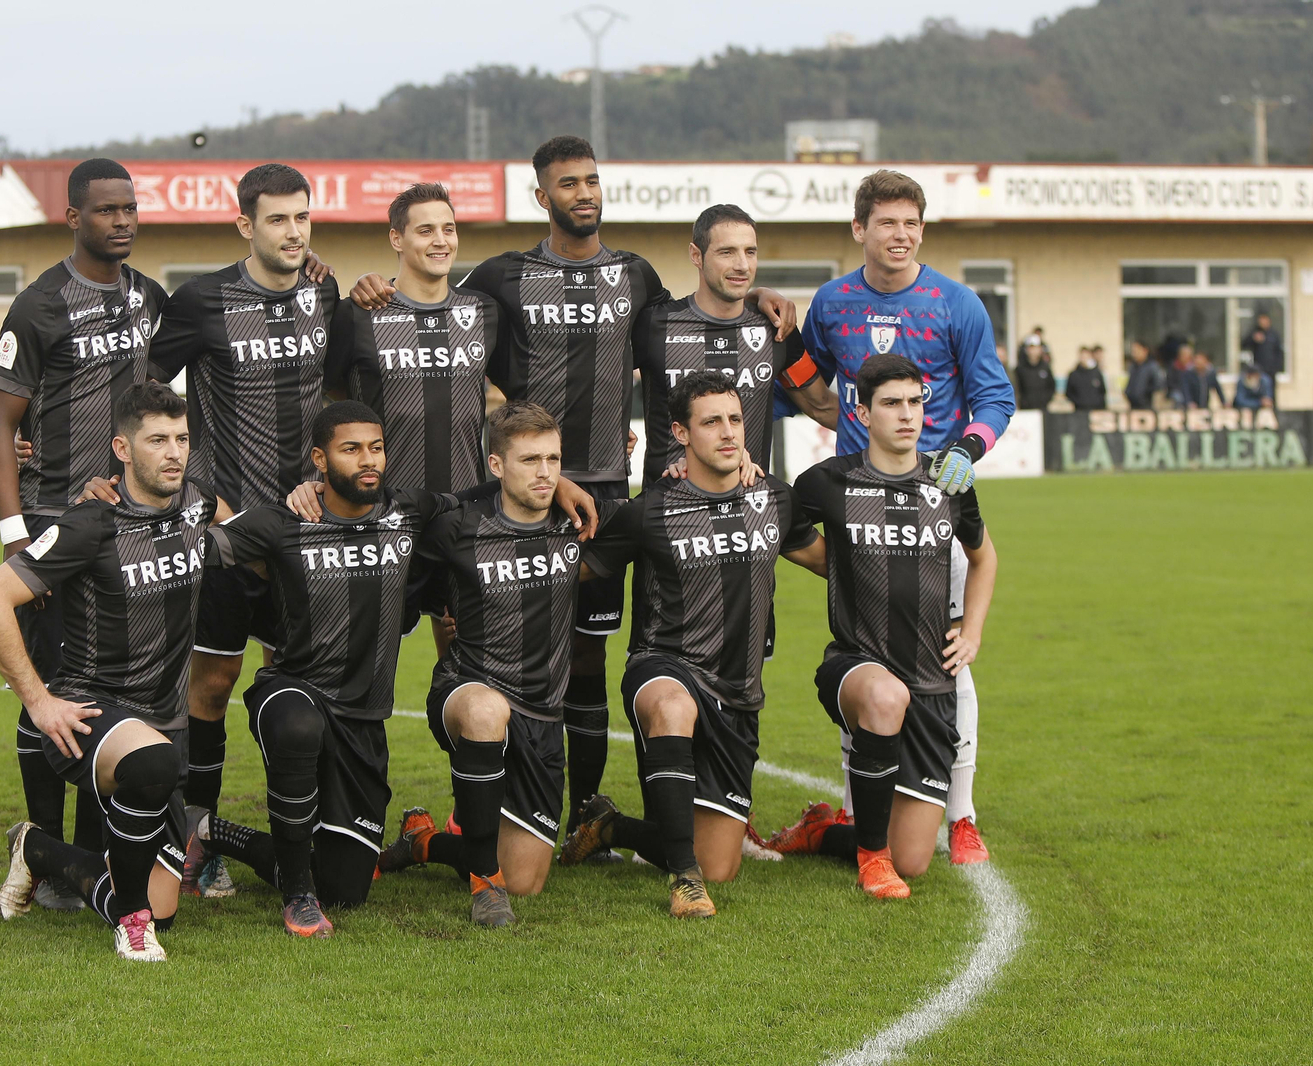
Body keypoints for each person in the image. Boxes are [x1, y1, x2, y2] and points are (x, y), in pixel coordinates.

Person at [352, 136, 797, 855]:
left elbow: (698, 315)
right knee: (473, 647)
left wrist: (760, 297)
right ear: (542, 196)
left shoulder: (636, 277)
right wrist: (371, 288)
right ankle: (475, 813)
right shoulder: (502, 278)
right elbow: (438, 311)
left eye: (592, 181)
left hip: (611, 500)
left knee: (584, 658)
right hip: (520, 493)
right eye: (568, 184)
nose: (583, 193)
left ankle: (586, 812)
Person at [798, 168, 1014, 866]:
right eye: (887, 223)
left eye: (912, 223)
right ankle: (860, 812)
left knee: (947, 651)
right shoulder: (832, 304)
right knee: (864, 651)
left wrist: (967, 451)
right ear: (859, 229)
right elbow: (812, 390)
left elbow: (994, 398)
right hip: (856, 509)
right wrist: (778, 339)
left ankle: (963, 814)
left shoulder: (955, 304)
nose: (902, 235)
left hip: (932, 501)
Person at [0, 382, 225, 961]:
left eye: (182, 439)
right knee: (152, 767)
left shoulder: (196, 503)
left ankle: (35, 850)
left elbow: (238, 526)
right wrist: (39, 703)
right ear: (121, 448)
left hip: (164, 721)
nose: (173, 453)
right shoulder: (91, 523)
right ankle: (132, 926)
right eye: (157, 440)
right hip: (87, 715)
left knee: (165, 899)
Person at [561, 372, 825, 918]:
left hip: (738, 695)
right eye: (711, 423)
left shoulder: (774, 498)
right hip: (665, 668)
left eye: (734, 419)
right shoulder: (650, 509)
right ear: (681, 433)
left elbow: (827, 561)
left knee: (722, 864)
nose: (728, 433)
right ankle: (684, 884)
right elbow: (574, 570)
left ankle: (610, 826)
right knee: (671, 703)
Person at [145, 163, 338, 897]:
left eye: (301, 217)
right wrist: (201, 494)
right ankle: (201, 840)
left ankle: (308, 832)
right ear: (245, 226)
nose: (293, 232)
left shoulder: (324, 292)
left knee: (306, 687)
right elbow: (147, 395)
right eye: (278, 219)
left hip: (306, 531)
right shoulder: (202, 301)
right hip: (225, 529)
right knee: (212, 686)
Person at [0, 158, 169, 908]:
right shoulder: (37, 306)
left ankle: (75, 855)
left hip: (129, 527)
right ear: (73, 218)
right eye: (105, 210)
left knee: (106, 687)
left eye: (129, 208)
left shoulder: (151, 299)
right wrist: (12, 533)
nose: (122, 220)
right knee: (48, 689)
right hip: (55, 526)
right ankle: (37, 836)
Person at [774, 355, 997, 899]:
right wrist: (835, 561)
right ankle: (871, 861)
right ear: (863, 411)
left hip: (931, 681)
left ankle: (825, 832)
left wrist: (972, 631)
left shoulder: (948, 481)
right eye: (892, 404)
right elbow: (776, 521)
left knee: (915, 859)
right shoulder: (830, 481)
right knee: (883, 694)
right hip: (858, 664)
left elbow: (985, 557)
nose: (907, 415)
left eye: (915, 403)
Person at [375, 403, 588, 926]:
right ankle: (485, 888)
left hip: (542, 715)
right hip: (468, 690)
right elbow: (411, 587)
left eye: (553, 460)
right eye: (529, 460)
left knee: (529, 882)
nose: (544, 472)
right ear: (496, 466)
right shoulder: (454, 528)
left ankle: (425, 842)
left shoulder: (579, 519)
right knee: (485, 711)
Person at [324, 182, 502, 655]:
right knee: (365, 663)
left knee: (466, 664)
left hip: (462, 513)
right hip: (383, 516)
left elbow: (520, 394)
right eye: (426, 230)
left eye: (449, 228)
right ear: (397, 239)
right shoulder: (358, 314)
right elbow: (332, 397)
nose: (441, 240)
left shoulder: (482, 311)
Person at [635, 203, 836, 489]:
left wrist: (897, 435)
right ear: (696, 255)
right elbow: (599, 382)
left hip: (750, 512)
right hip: (667, 511)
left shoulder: (777, 329)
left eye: (750, 252)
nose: (742, 265)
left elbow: (822, 405)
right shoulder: (654, 326)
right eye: (727, 252)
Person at [1013, 336, 1054, 410]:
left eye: (1036, 348)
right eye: (1031, 348)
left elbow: (1051, 386)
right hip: (1025, 410)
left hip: (1042, 409)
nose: (1033, 351)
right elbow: (1017, 388)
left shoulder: (1045, 368)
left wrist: (1046, 400)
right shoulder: (1020, 369)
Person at [1243, 312, 1284, 382]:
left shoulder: (1273, 334)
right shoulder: (1255, 332)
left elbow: (1279, 352)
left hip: (1271, 369)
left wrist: (1278, 367)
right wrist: (1253, 338)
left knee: (1270, 389)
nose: (1262, 322)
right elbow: (1244, 344)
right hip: (1259, 369)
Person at [1064, 345, 1108, 411]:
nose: (1084, 358)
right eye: (1082, 356)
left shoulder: (1096, 373)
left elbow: (1102, 392)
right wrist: (1078, 402)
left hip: (1096, 410)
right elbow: (1069, 393)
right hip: (1080, 411)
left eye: (1086, 356)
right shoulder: (1074, 375)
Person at [1124, 340, 1164, 411]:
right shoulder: (1133, 367)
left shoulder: (1152, 367)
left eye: (1137, 350)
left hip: (1147, 407)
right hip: (1134, 407)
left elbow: (1159, 387)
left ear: (1145, 350)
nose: (1134, 354)